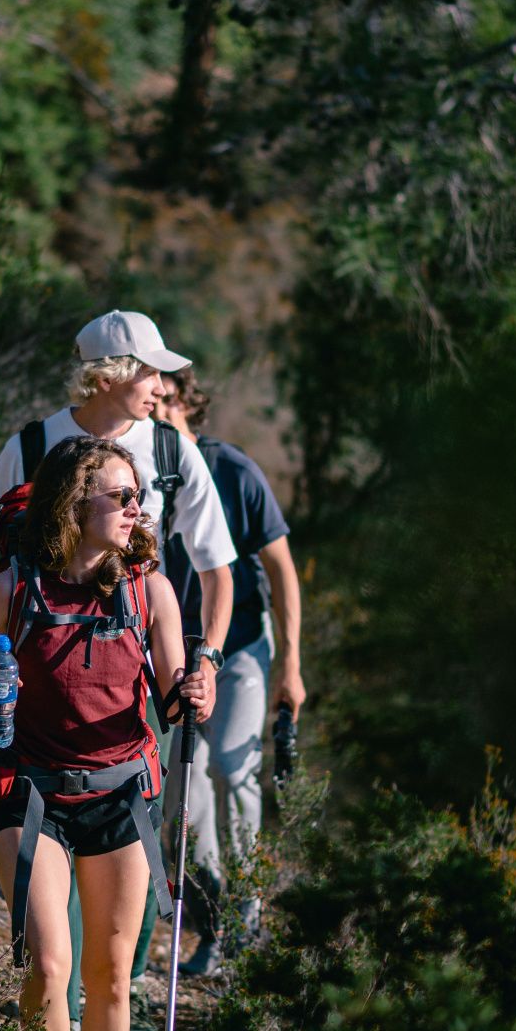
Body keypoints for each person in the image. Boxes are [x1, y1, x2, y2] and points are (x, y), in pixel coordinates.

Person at [0, 310, 236, 1031]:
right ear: (110, 374)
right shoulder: (28, 448)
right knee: (58, 924)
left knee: (122, 908)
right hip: (38, 716)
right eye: (151, 371)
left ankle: (101, 1024)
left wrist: (202, 662)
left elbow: (217, 568)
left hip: (141, 692)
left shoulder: (173, 452)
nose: (164, 385)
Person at [0, 436, 210, 1031]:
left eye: (138, 496)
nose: (136, 508)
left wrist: (196, 687)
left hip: (115, 798)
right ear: (75, 502)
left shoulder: (149, 592)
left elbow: (173, 692)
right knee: (47, 961)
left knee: (108, 972)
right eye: (120, 495)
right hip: (30, 794)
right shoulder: (13, 588)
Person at [155, 368, 306, 976]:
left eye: (164, 399)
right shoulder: (140, 471)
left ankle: (247, 921)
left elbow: (283, 569)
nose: (153, 411)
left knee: (231, 768)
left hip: (241, 644)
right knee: (180, 798)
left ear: (187, 403)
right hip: (170, 652)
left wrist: (291, 663)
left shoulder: (234, 471)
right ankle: (215, 918)